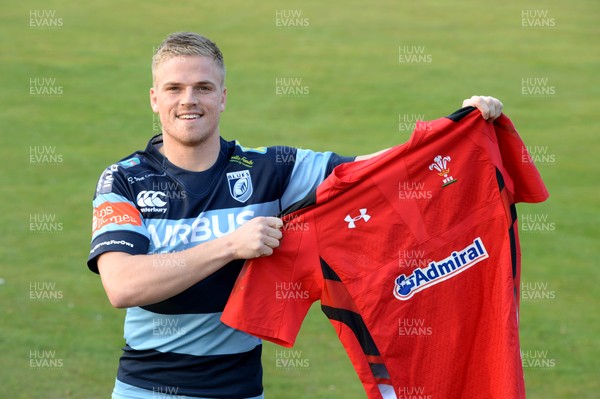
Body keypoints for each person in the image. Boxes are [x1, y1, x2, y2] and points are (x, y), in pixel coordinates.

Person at [87, 31, 504, 399]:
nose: (189, 100)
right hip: (146, 390)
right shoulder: (123, 180)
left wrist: (460, 125)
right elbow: (123, 286)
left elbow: (375, 173)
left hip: (241, 390)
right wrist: (232, 245)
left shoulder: (272, 169)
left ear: (223, 96)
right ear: (154, 98)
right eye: (174, 88)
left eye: (203, 87)